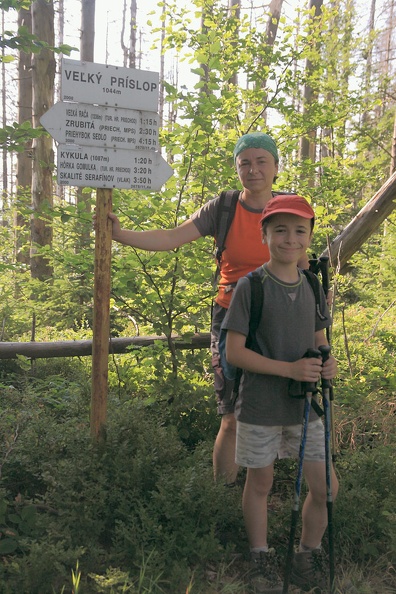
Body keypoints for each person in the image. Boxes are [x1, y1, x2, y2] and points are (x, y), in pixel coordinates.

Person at [107, 132, 308, 485]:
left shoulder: (289, 208)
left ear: (276, 166)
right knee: (231, 416)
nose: (253, 169)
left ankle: (260, 497)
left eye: (262, 161)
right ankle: (220, 500)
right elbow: (172, 237)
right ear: (237, 168)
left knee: (279, 410)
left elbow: (303, 268)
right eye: (245, 162)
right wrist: (120, 235)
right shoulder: (224, 208)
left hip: (281, 320)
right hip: (233, 319)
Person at [221, 194, 339, 593]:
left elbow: (319, 339)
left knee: (326, 489)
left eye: (300, 231)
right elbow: (234, 352)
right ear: (265, 234)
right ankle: (260, 559)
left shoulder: (311, 284)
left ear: (309, 237)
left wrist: (326, 362)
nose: (291, 239)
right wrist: (287, 368)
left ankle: (306, 555)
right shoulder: (251, 287)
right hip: (260, 406)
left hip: (306, 405)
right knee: (260, 484)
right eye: (281, 230)